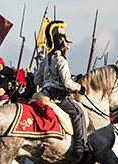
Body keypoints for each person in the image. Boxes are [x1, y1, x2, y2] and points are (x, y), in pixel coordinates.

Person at [34, 20, 90, 155]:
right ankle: (80, 145)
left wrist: (45, 83)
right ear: (62, 45)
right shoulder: (61, 61)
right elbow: (67, 82)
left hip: (44, 93)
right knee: (78, 113)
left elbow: (36, 79)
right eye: (66, 44)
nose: (68, 47)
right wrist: (79, 88)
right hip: (57, 96)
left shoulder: (46, 60)